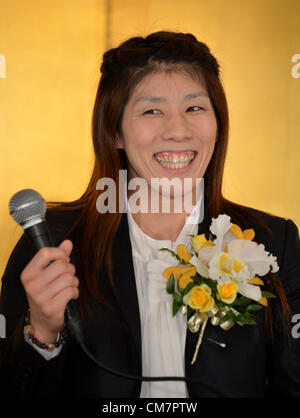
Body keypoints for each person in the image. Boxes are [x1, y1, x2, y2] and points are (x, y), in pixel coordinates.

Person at [0, 31, 299, 398]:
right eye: (152, 111)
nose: (178, 131)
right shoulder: (51, 246)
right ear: (115, 133)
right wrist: (42, 332)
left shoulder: (271, 241)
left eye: (195, 108)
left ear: (218, 126)